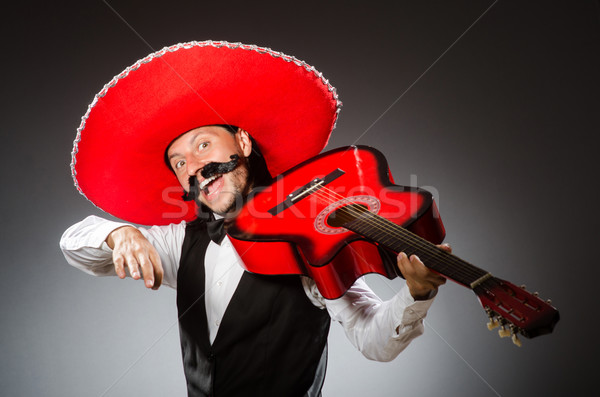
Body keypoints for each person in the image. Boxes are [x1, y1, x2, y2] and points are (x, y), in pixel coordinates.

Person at [60, 41, 448, 397]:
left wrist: (416, 294)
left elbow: (372, 339)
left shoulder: (307, 244)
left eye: (204, 144)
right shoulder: (179, 243)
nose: (195, 166)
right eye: (180, 162)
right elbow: (77, 245)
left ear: (242, 143)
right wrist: (119, 233)